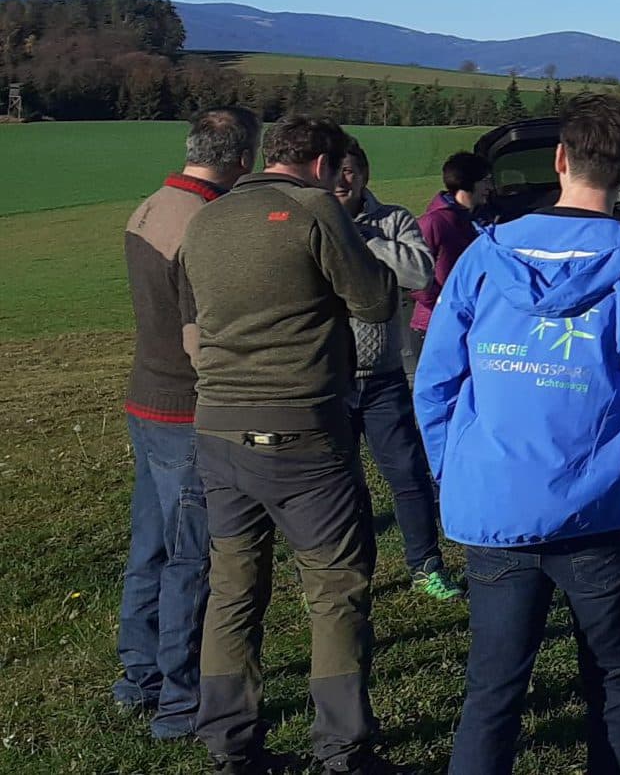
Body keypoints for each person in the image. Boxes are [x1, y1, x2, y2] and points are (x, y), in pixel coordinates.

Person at [416, 94, 620, 775]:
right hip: (603, 510)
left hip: (496, 503)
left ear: (560, 159)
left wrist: (454, 466)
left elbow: (436, 381)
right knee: (615, 686)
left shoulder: (483, 254)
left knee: (493, 692)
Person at [179, 115, 401, 775]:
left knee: (233, 589)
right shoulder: (314, 211)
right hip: (303, 425)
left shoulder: (207, 218)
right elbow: (376, 300)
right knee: (334, 591)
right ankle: (341, 750)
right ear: (324, 165)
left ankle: (229, 745)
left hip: (217, 422)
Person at [114, 105, 258, 743]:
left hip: (144, 397)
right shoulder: (205, 224)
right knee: (191, 559)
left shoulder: (148, 206)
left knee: (149, 549)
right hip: (184, 409)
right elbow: (202, 336)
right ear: (243, 160)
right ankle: (179, 701)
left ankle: (137, 676)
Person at [332, 137, 462, 602]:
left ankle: (425, 565)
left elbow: (419, 273)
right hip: (329, 380)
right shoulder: (312, 222)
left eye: (352, 171)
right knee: (340, 484)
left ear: (365, 175)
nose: (344, 181)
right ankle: (347, 573)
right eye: (337, 171)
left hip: (384, 375)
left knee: (408, 475)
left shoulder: (394, 220)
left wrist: (361, 238)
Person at [407, 151, 493, 379]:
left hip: (467, 324)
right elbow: (413, 277)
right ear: (469, 182)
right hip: (431, 327)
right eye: (485, 181)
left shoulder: (477, 221)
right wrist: (445, 305)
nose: (489, 187)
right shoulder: (432, 222)